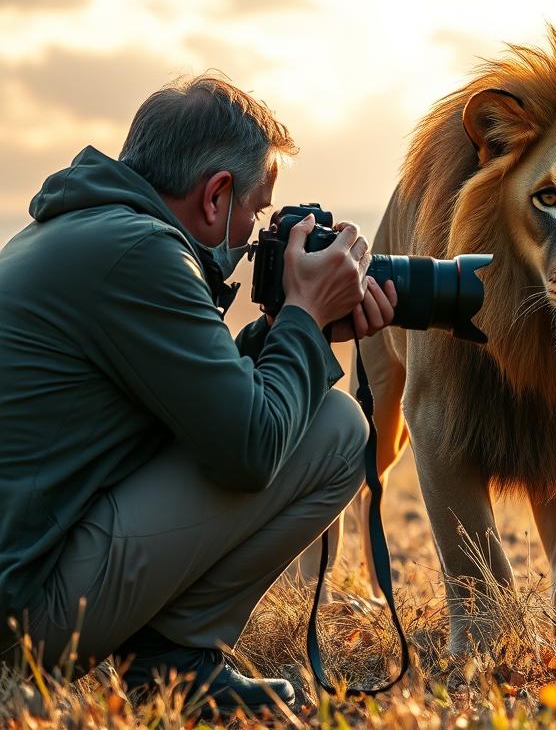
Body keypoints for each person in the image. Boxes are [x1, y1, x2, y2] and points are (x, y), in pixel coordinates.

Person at [0, 75, 397, 715]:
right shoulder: (143, 254)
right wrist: (302, 316)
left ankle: (168, 663)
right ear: (216, 196)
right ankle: (173, 666)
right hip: (24, 620)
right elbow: (249, 447)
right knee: (337, 430)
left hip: (20, 579)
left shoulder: (83, 231)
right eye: (257, 212)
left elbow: (186, 400)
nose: (255, 237)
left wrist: (290, 330)